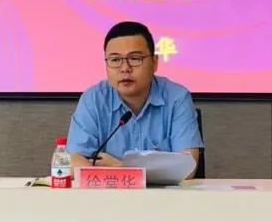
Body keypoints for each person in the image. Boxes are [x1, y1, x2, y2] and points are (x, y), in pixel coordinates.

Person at [66, 21, 203, 178]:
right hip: (108, 193)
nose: (125, 68)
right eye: (115, 60)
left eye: (135, 58)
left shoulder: (177, 98)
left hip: (164, 194)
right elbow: (73, 162)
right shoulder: (94, 99)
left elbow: (187, 168)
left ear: (154, 62)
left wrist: (121, 168)